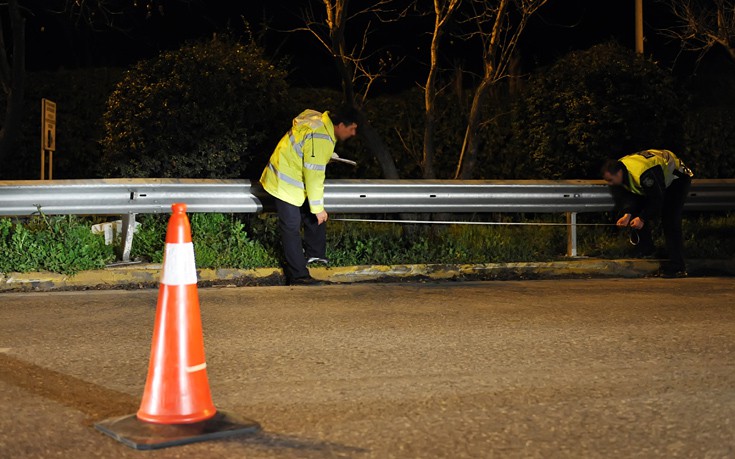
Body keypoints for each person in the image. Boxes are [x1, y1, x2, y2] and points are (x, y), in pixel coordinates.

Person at [260, 107, 358, 285]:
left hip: (291, 176)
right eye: (352, 128)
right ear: (341, 125)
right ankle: (298, 276)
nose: (354, 133)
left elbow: (306, 149)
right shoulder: (321, 137)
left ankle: (315, 256)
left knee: (314, 215)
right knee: (291, 227)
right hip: (284, 183)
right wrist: (318, 208)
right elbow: (314, 177)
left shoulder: (319, 121)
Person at [601, 149, 694, 278]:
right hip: (657, 180)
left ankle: (678, 266)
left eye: (611, 180)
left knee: (670, 220)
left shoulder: (644, 174)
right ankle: (647, 250)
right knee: (637, 214)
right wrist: (627, 214)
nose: (610, 184)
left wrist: (643, 218)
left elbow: (657, 200)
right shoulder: (622, 169)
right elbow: (630, 196)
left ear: (619, 173)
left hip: (677, 178)